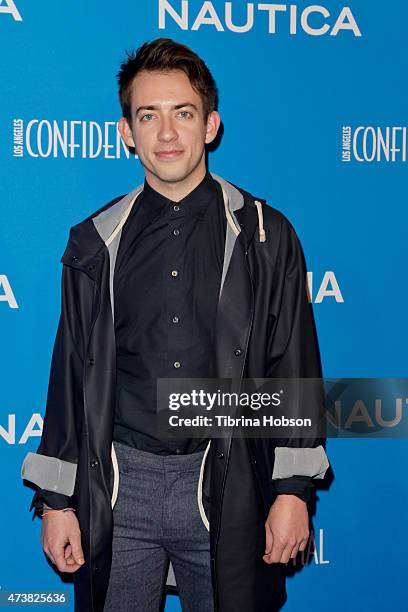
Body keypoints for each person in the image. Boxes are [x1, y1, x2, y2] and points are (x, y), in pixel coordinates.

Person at [21, 37, 329, 612]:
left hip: (230, 482)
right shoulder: (94, 241)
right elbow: (69, 375)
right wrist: (58, 502)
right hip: (118, 486)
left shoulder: (267, 235)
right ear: (126, 132)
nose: (166, 134)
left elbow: (294, 366)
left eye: (182, 113)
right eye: (149, 116)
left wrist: (292, 493)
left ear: (210, 124)